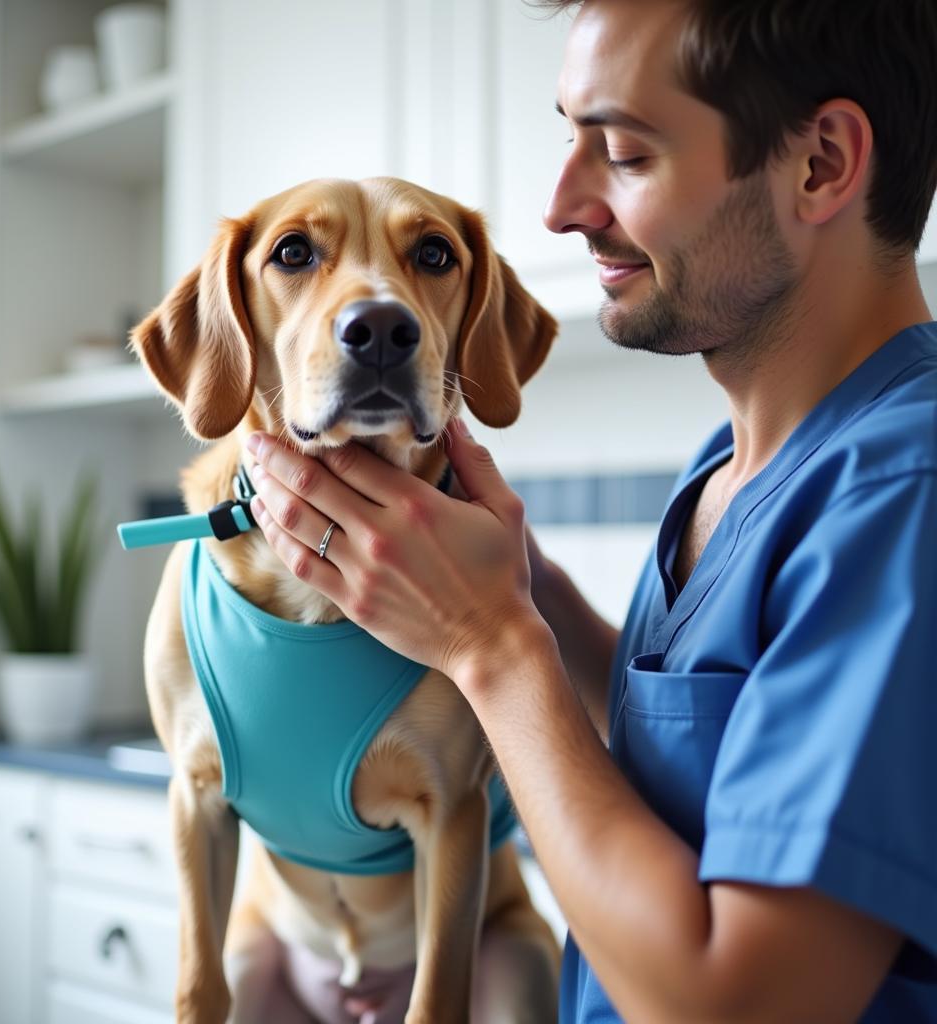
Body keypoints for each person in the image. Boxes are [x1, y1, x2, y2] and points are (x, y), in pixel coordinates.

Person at [243, 0, 937, 1018]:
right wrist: (533, 595)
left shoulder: (903, 490)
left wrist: (490, 642)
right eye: (568, 139)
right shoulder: (729, 465)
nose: (561, 207)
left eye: (621, 152)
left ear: (820, 164)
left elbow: (738, 1003)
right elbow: (703, 764)